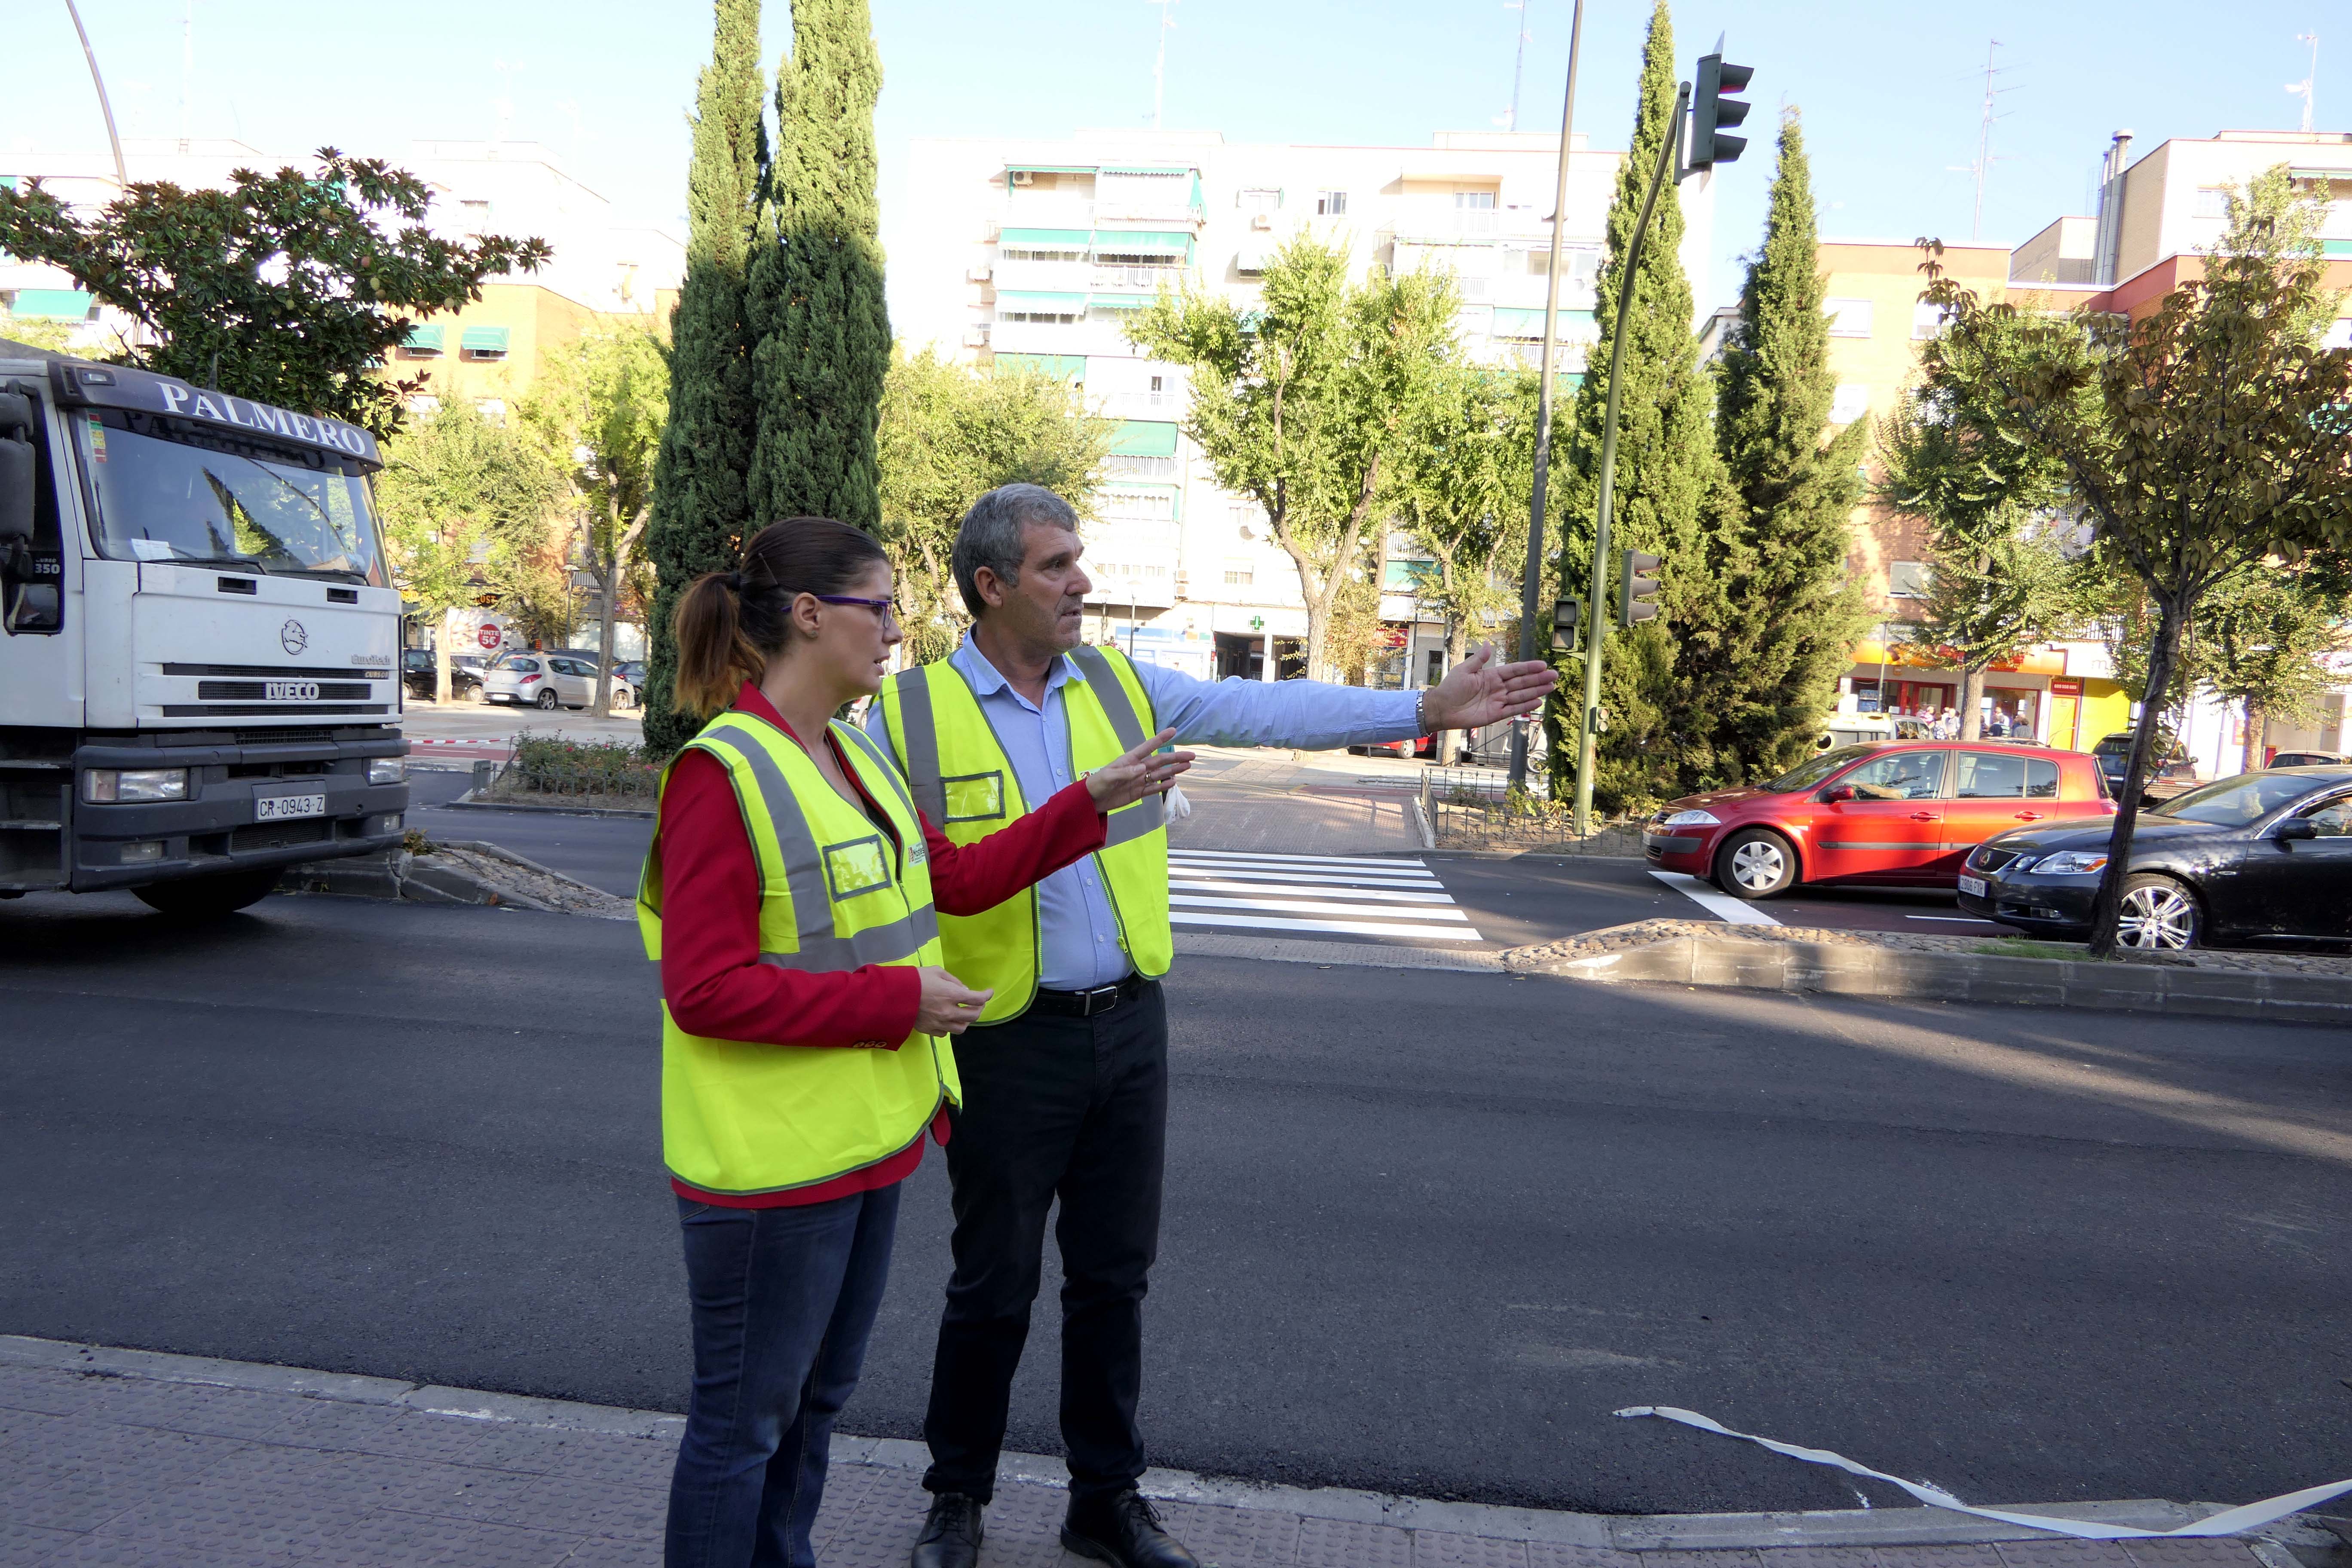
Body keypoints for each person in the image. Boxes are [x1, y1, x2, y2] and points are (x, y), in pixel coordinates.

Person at [868, 484, 1556, 1568]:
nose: (1082, 582)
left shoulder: (1118, 683)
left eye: (1078, 558)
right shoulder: (909, 715)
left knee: (1113, 1281)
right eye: (1055, 566)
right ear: (991, 586)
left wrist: (1422, 710)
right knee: (993, 1286)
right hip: (1004, 1041)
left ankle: (1105, 1501)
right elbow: (924, 887)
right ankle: (957, 1499)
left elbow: (1262, 712)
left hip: (1128, 1027)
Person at [645, 515, 1193, 1568]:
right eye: (882, 607)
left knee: (811, 1409)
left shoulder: (852, 754)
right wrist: (895, 1002)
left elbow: (959, 881)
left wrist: (1086, 803)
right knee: (744, 1426)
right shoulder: (722, 773)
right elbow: (704, 990)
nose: (898, 630)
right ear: (812, 616)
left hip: (863, 1143)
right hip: (765, 1166)